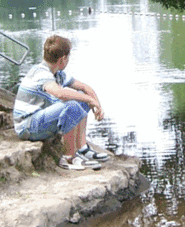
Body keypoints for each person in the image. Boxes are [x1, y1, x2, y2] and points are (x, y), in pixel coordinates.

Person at [13, 34, 111, 171]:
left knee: (80, 97)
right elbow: (58, 93)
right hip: (27, 126)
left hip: (39, 120)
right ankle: (69, 158)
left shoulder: (57, 74)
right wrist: (89, 100)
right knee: (72, 104)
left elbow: (84, 88)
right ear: (63, 59)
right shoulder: (41, 73)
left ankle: (82, 149)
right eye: (68, 57)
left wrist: (97, 105)